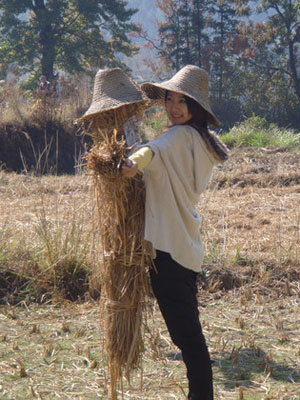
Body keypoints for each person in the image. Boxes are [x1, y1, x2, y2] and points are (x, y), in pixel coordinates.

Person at [122, 65, 229, 400]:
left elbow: (152, 151)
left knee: (188, 339)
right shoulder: (200, 140)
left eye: (183, 101)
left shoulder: (176, 138)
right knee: (189, 336)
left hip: (168, 251)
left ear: (196, 107)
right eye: (170, 98)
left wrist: (132, 163)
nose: (174, 106)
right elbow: (157, 150)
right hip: (185, 246)